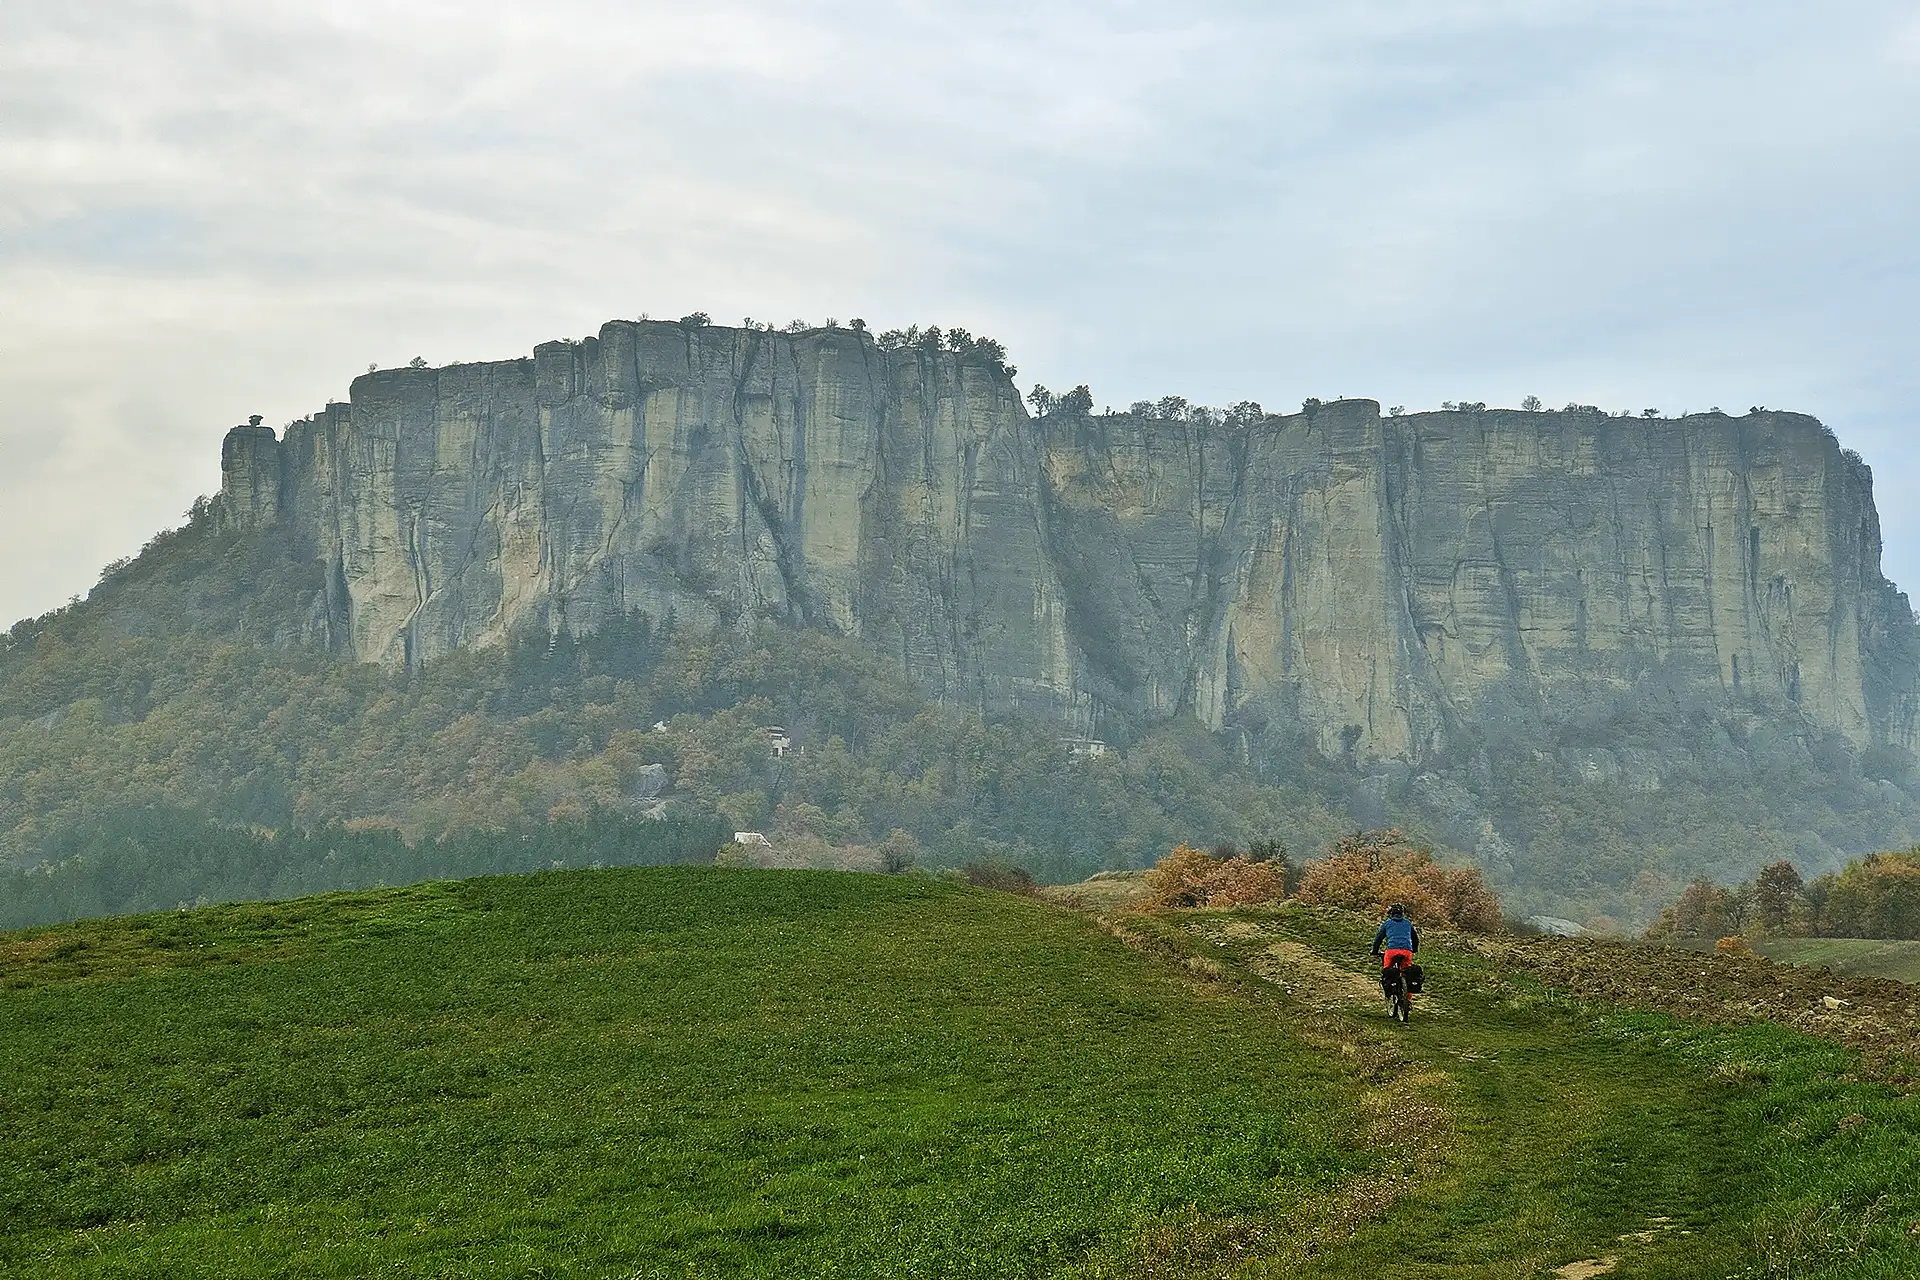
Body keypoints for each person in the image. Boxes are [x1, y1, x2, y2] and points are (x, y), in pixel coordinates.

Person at [1371, 903, 1420, 995]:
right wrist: (1414, 949)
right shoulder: (1407, 923)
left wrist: (1375, 951)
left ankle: (1389, 989)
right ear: (1402, 914)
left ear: (1391, 914)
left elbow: (1378, 939)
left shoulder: (1387, 923)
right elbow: (1415, 938)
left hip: (1392, 951)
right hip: (1407, 951)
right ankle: (1408, 1001)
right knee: (1407, 973)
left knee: (1387, 971)